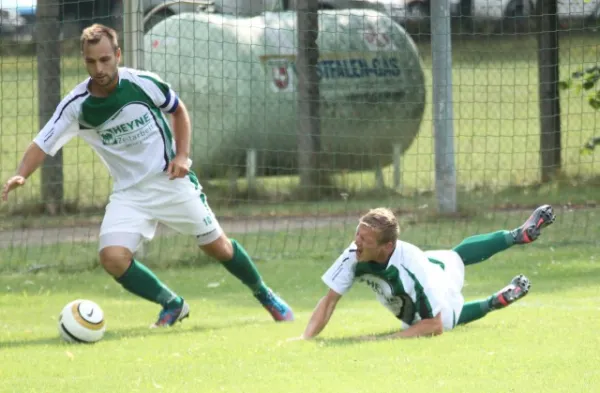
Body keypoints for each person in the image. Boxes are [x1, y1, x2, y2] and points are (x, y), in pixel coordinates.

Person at [1, 24, 294, 327]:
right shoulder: (76, 106)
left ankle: (264, 294)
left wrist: (182, 156)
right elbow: (42, 143)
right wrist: (21, 174)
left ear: (117, 55)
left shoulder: (142, 83)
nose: (98, 68)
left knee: (217, 247)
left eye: (105, 59)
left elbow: (179, 111)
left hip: (170, 182)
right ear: (83, 60)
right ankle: (172, 304)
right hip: (129, 194)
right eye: (91, 62)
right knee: (112, 257)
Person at [298, 205, 555, 340]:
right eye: (357, 233)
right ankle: (512, 241)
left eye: (365, 238)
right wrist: (305, 338)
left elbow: (433, 326)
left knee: (446, 308)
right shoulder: (356, 252)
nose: (357, 242)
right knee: (453, 255)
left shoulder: (411, 268)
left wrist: (382, 340)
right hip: (429, 263)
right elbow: (330, 299)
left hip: (440, 285)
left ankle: (493, 298)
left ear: (387, 246)